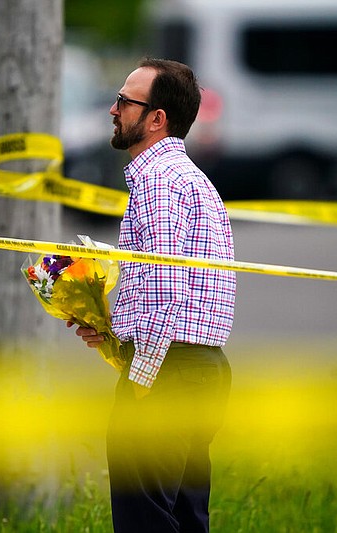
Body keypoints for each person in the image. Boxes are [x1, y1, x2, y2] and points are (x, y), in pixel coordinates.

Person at [68, 58, 237, 533]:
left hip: (168, 373)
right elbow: (168, 288)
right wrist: (108, 329)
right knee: (184, 518)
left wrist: (140, 379)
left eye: (124, 101)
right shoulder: (189, 180)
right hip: (199, 367)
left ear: (156, 118)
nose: (112, 109)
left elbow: (168, 289)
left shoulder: (160, 183)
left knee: (144, 519)